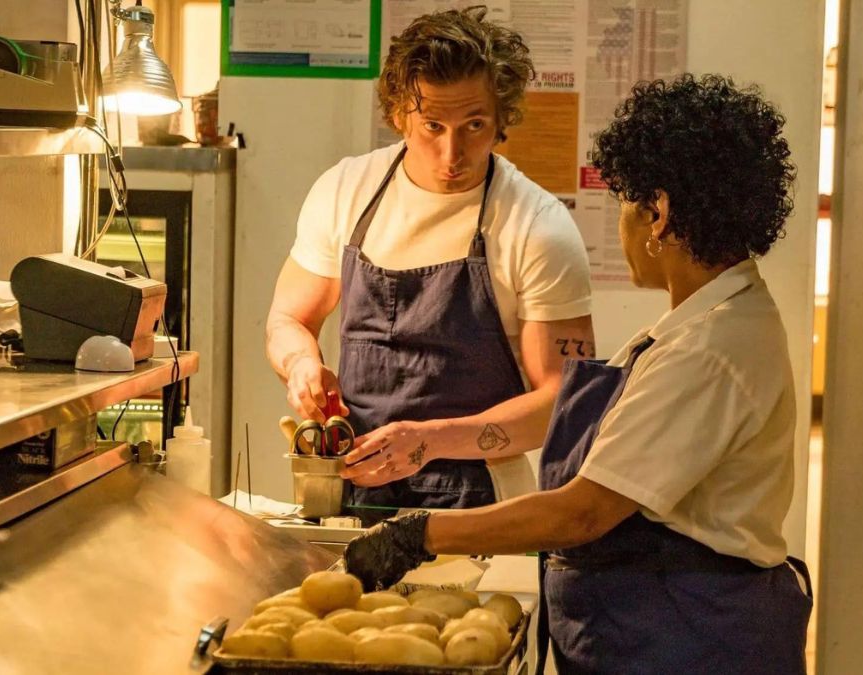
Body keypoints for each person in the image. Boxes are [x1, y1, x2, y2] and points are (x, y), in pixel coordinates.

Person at [344, 74, 813, 673]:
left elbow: (581, 513)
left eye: (624, 200)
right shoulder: (709, 322)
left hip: (684, 637)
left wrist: (418, 536)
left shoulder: (707, 349)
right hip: (658, 627)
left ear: (658, 214)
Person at [265, 7, 594, 508]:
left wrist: (431, 441)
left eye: (474, 124)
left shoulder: (537, 226)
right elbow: (289, 318)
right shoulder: (346, 192)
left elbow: (562, 401)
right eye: (433, 125)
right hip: (352, 488)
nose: (452, 153)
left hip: (481, 503)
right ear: (399, 114)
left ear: (503, 117)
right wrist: (301, 365)